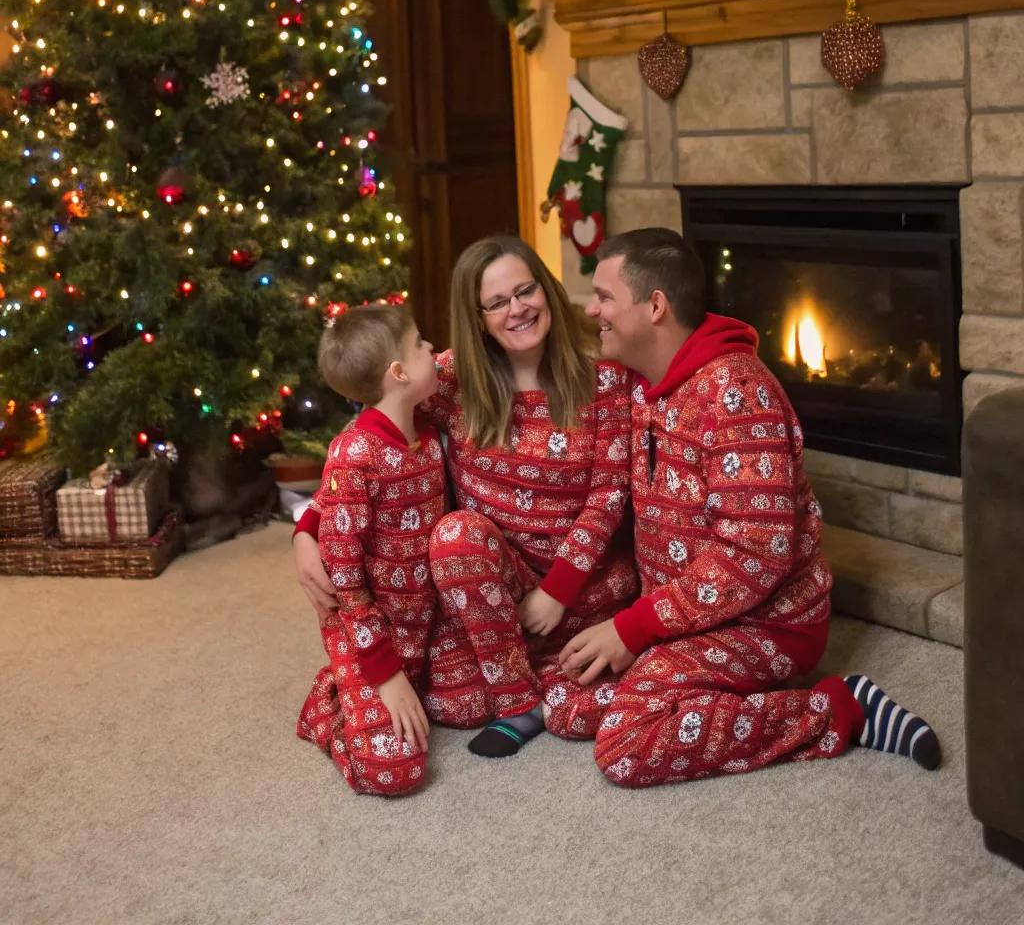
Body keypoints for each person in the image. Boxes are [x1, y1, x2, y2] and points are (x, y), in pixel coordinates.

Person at [559, 227, 941, 788]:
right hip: (682, 617)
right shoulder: (638, 382)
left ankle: (841, 709)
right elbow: (541, 364)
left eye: (605, 297)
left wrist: (635, 628)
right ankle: (681, 688)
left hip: (765, 622)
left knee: (625, 744)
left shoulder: (738, 397)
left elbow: (754, 554)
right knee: (566, 696)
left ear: (656, 306)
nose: (592, 311)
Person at [295, 234, 637, 761]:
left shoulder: (604, 378)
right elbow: (367, 448)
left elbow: (608, 497)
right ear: (478, 317)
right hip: (486, 593)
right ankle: (520, 697)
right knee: (448, 697)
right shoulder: (448, 379)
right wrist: (307, 527)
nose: (517, 309)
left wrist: (558, 592)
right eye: (497, 302)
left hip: (581, 589)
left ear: (546, 289)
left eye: (526, 291)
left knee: (619, 693)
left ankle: (548, 684)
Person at [295, 304, 444, 797]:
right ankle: (329, 707)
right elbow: (344, 581)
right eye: (422, 344)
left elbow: (457, 358)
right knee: (395, 770)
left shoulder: (426, 430)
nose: (434, 352)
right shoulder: (354, 455)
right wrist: (382, 674)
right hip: (366, 631)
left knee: (467, 710)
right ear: (399, 373)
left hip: (423, 618)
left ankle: (380, 691)